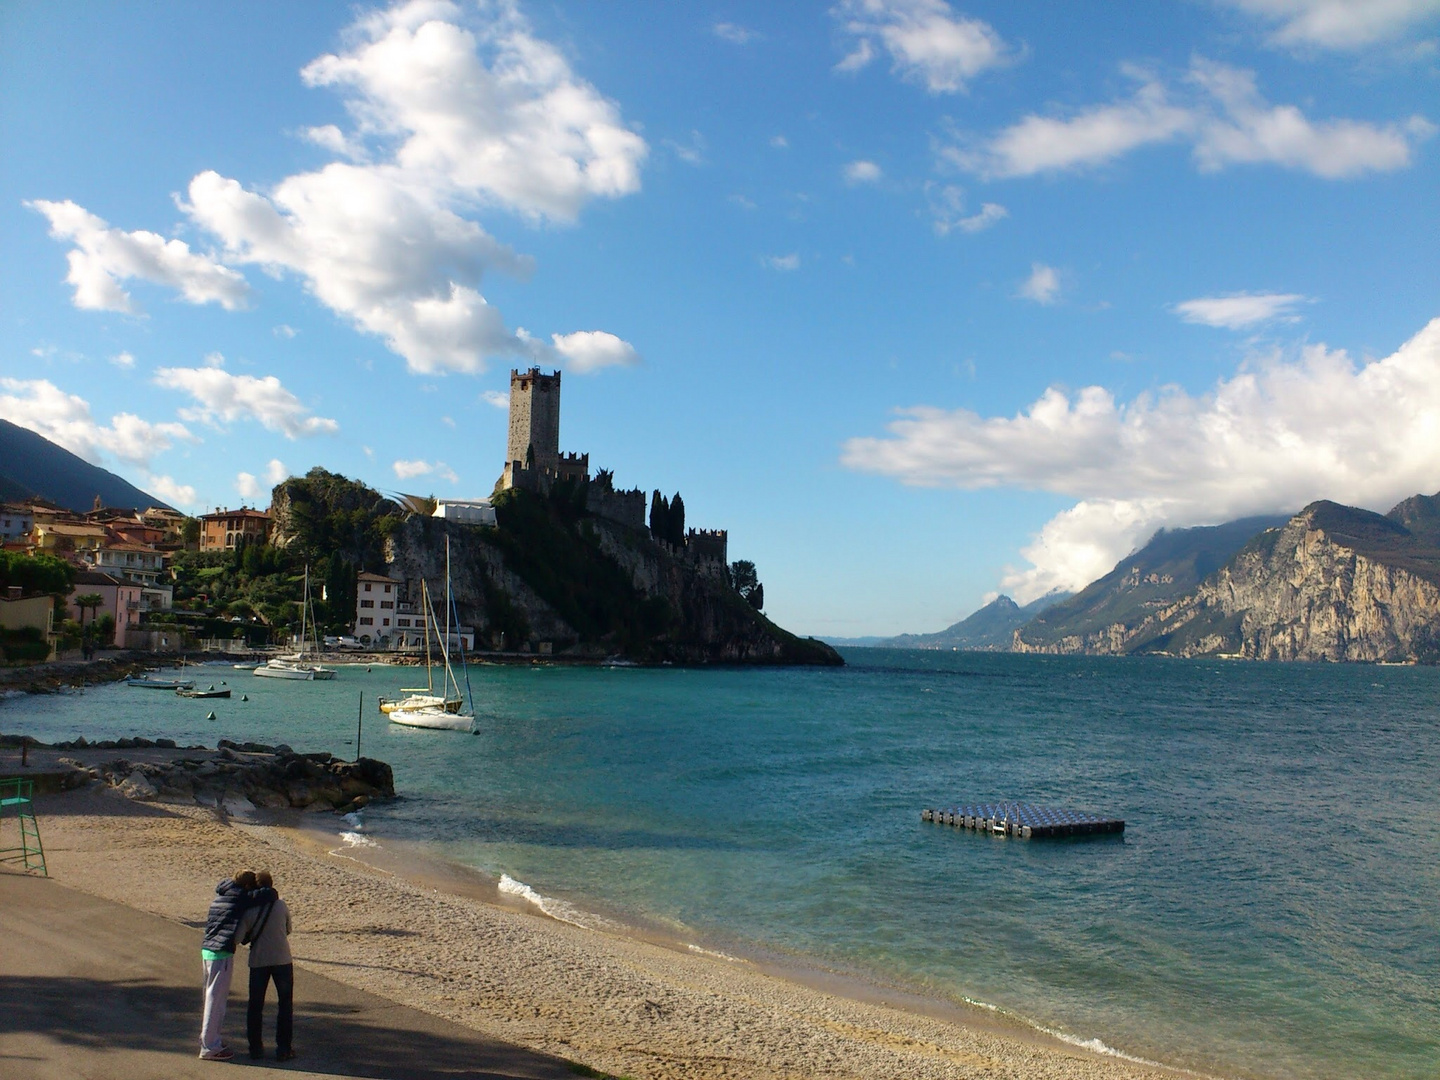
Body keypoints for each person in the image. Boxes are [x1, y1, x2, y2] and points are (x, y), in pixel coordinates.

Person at [199, 870, 274, 1061]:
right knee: (215, 1001)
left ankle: (211, 1041)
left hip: (208, 949)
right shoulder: (239, 898)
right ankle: (210, 1047)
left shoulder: (220, 897)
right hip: (221, 952)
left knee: (211, 998)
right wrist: (264, 887)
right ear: (247, 886)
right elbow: (268, 894)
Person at [238, 869, 294, 1061]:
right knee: (285, 1005)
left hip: (259, 960)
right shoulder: (280, 905)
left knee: (255, 1006)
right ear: (271, 885)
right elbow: (288, 929)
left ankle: (255, 1048)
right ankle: (284, 1048)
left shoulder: (249, 909)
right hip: (282, 959)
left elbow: (238, 938)